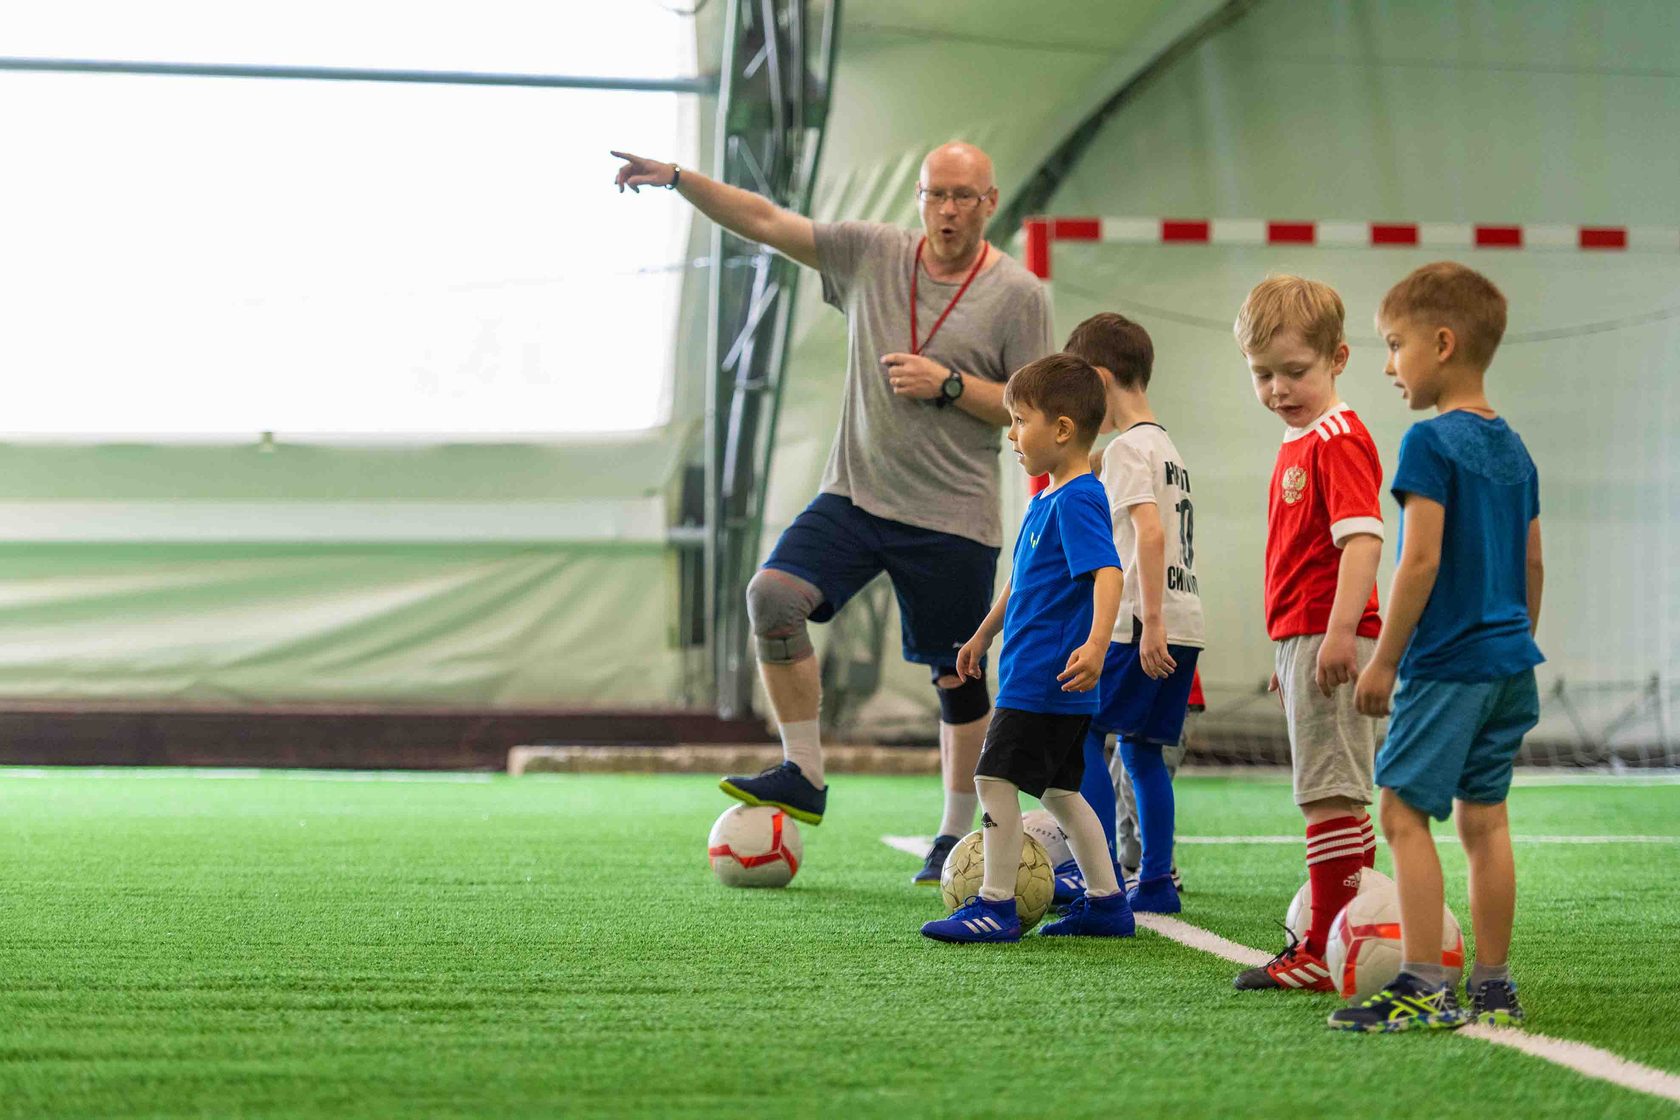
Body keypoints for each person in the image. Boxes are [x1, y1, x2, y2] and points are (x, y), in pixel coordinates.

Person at [612, 144, 1053, 881]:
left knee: (958, 673)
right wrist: (681, 180)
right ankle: (804, 773)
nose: (948, 211)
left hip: (951, 512)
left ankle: (951, 832)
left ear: (990, 202)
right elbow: (765, 220)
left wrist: (948, 384)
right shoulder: (872, 253)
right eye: (936, 195)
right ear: (918, 198)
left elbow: (1031, 407)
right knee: (772, 596)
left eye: (964, 198)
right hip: (854, 490)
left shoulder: (1019, 295)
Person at [1330, 263, 1543, 1032]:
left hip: (1448, 666)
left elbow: (1417, 560)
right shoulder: (1515, 449)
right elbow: (1533, 563)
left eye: (1394, 346)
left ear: (1442, 344)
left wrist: (1384, 658)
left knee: (1401, 812)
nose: (1389, 365)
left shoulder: (1430, 443)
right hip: (1509, 665)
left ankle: (1421, 984)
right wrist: (1517, 643)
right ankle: (1493, 984)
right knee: (1486, 821)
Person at [921, 354, 1133, 943]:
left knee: (991, 780)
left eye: (1019, 420)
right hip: (1037, 674)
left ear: (1062, 429)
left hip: (1045, 678)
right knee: (1063, 793)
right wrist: (985, 633)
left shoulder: (1079, 497)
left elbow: (1109, 573)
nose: (1011, 434)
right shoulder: (1047, 499)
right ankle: (1108, 904)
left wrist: (1096, 645)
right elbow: (1021, 582)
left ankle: (995, 904)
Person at [1230, 276, 1382, 991]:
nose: (1279, 389)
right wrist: (1287, 649)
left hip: (1332, 638)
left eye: (1296, 372)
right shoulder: (1299, 439)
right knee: (1336, 790)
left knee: (1329, 793)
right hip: (1306, 640)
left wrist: (1339, 634)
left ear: (1338, 359)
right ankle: (1354, 933)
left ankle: (1325, 949)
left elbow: (1361, 543)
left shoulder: (1338, 439)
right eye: (1264, 374)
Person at [1061, 313, 1204, 916]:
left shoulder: (1124, 448)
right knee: (1143, 753)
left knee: (1081, 735)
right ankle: (1155, 881)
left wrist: (1149, 624)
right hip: (1186, 616)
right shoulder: (1166, 447)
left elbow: (1147, 534)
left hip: (1138, 625)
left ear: (1098, 378)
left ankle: (1100, 881)